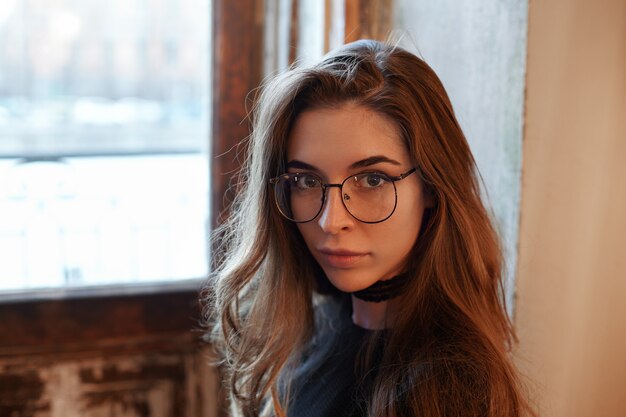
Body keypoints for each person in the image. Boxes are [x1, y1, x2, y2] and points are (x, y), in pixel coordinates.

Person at [204, 39, 536, 417]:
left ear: (431, 186)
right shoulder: (309, 334)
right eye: (307, 182)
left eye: (373, 180)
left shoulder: (446, 391)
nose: (332, 222)